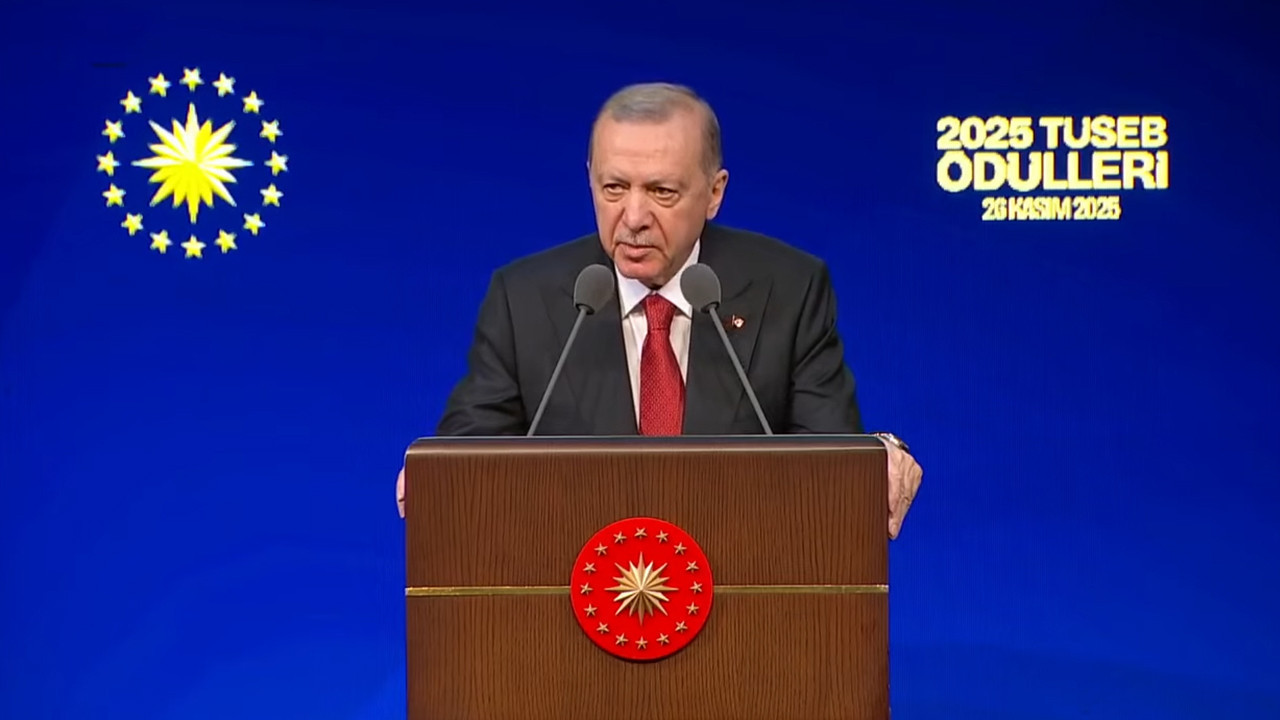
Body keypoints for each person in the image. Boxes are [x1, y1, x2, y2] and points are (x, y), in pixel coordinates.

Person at [396, 82, 922, 537]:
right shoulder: (525, 298)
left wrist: (874, 456)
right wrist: (436, 477)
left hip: (744, 590)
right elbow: (466, 457)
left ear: (714, 193)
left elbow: (829, 457)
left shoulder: (789, 288)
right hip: (576, 597)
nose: (633, 217)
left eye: (661, 191)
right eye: (614, 188)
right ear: (590, 179)